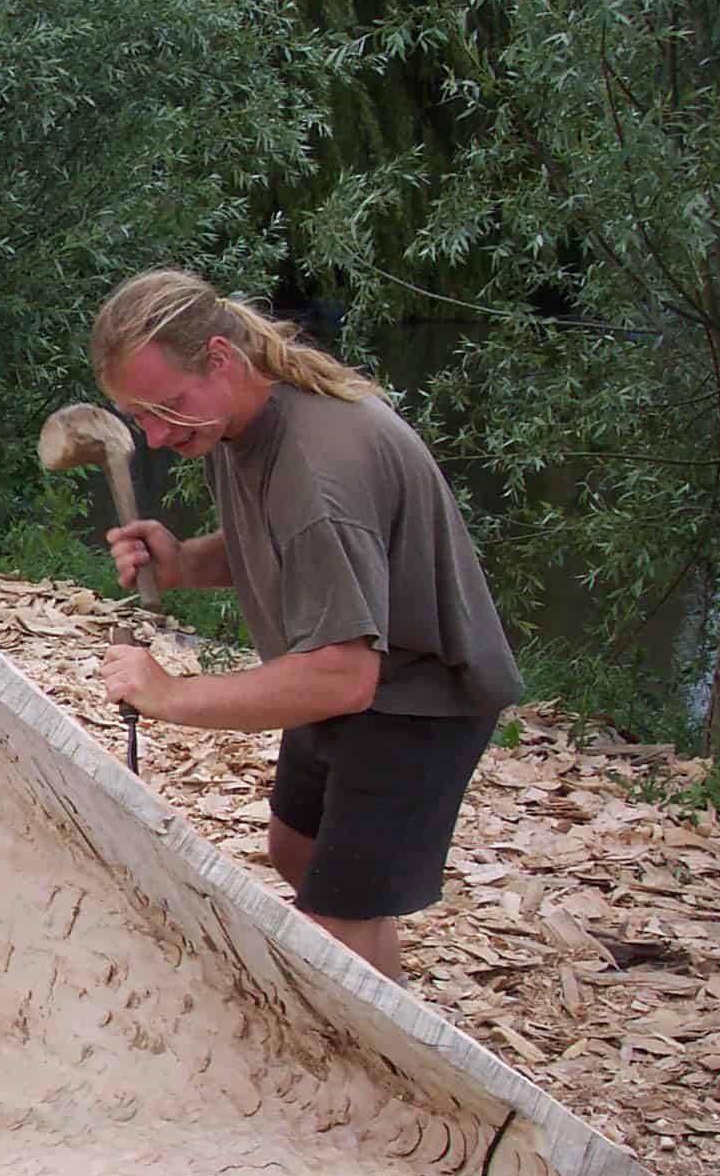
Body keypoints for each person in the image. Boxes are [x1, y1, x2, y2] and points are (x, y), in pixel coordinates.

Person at [90, 269, 523, 982]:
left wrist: (169, 696)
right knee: (298, 851)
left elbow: (344, 675)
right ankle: (390, 993)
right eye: (141, 418)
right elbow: (290, 545)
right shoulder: (240, 418)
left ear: (222, 359)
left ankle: (385, 1063)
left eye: (169, 408)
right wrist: (183, 563)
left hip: (417, 696)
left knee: (334, 930)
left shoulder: (320, 468)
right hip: (347, 666)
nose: (159, 435)